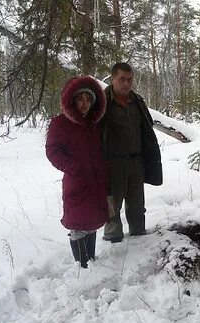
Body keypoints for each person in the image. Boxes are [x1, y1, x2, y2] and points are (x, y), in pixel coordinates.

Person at [46, 76, 109, 268]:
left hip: (95, 183)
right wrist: (73, 168)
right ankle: (82, 266)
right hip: (77, 182)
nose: (85, 104)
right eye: (81, 99)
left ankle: (92, 261)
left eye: (89, 100)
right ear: (72, 99)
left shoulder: (94, 123)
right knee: (78, 226)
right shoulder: (60, 123)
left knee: (91, 224)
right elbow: (52, 151)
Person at [100, 62, 162, 242]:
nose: (126, 83)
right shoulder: (102, 102)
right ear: (113, 79)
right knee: (113, 205)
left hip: (136, 162)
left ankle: (138, 236)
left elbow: (146, 128)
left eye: (130, 79)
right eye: (122, 79)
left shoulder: (137, 101)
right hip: (114, 162)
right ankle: (114, 241)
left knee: (137, 205)